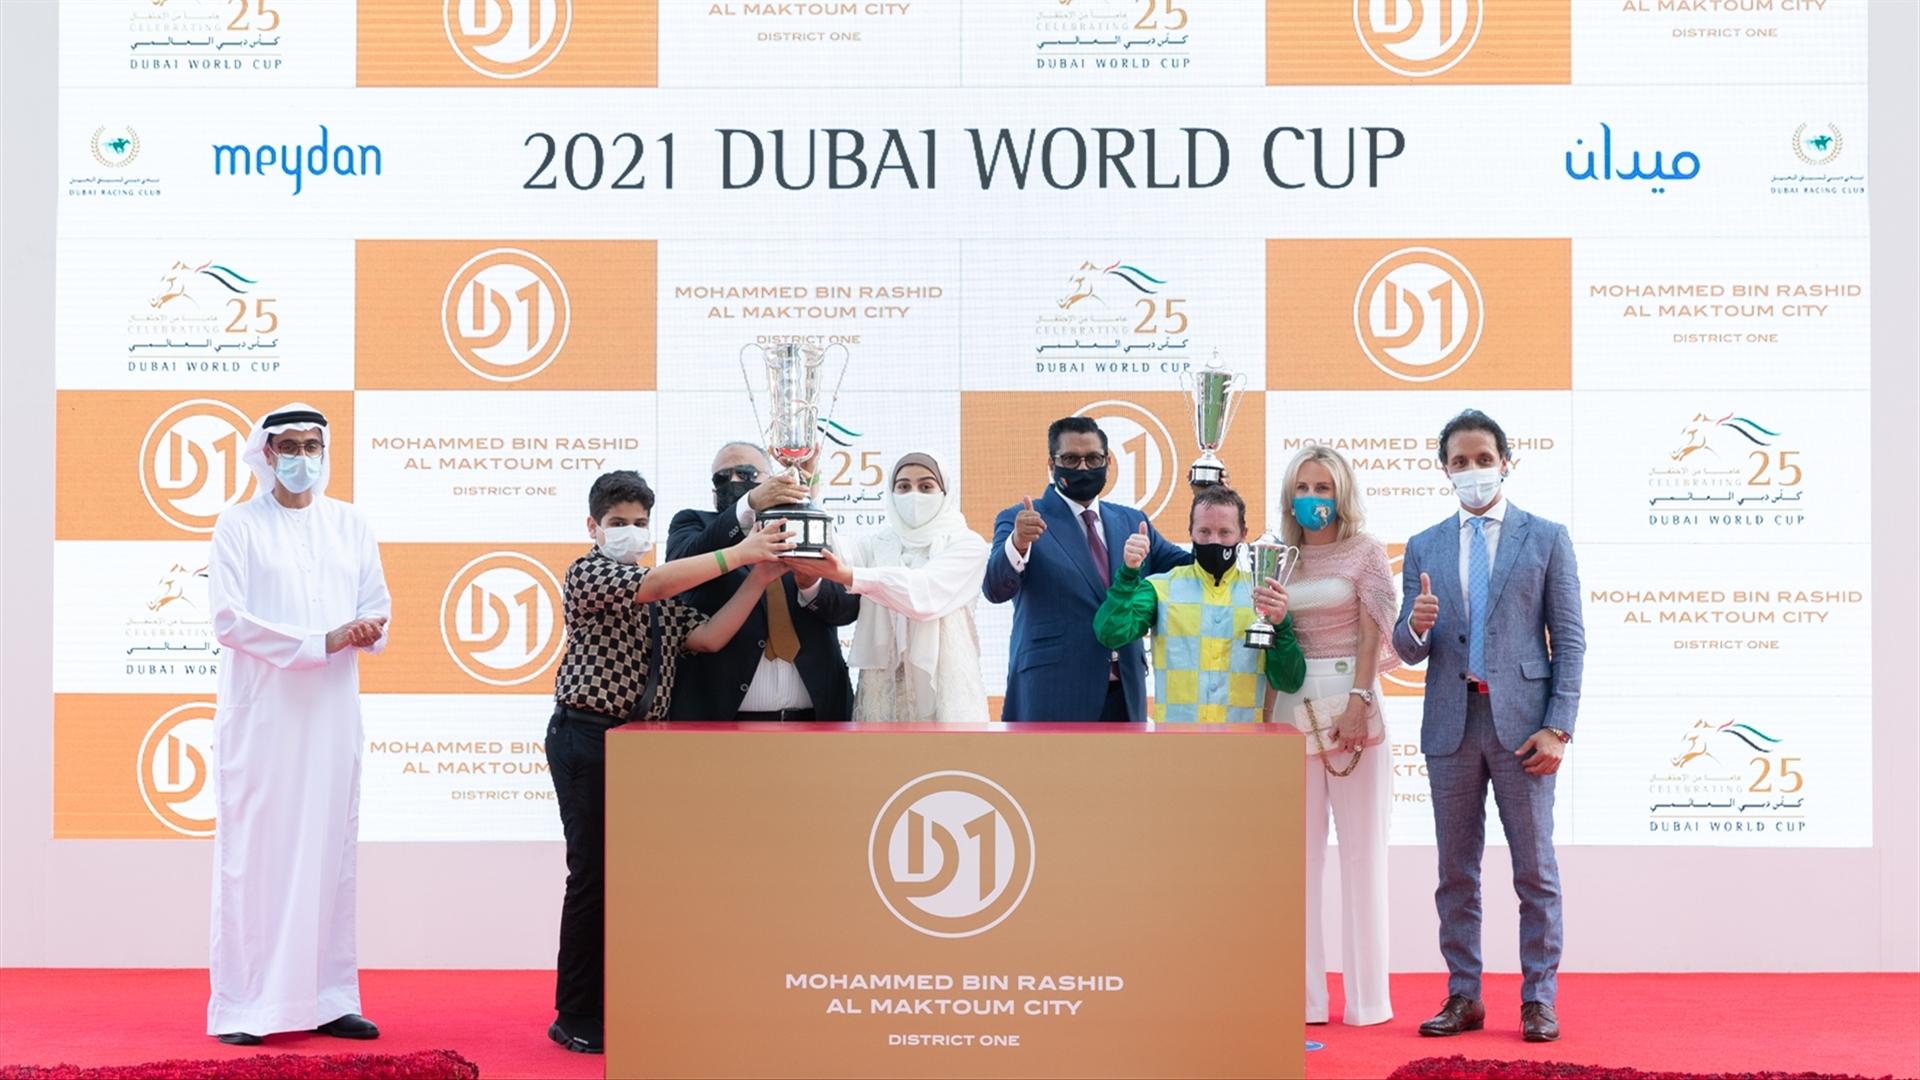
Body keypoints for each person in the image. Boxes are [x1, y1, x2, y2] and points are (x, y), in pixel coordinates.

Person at [546, 470, 797, 1055]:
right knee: (591, 877)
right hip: (585, 736)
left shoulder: (656, 591)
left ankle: (620, 999)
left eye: (638, 524)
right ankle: (575, 1012)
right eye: (617, 524)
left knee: (627, 881)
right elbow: (656, 583)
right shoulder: (591, 573)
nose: (630, 533)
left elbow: (707, 637)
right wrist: (741, 551)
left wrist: (758, 578)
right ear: (593, 528)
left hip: (639, 749)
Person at [1392, 409, 1585, 1044]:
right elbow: (1408, 646)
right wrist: (1417, 624)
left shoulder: (1546, 536)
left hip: (1525, 728)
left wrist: (1560, 725)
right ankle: (1464, 995)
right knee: (1456, 871)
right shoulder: (1424, 544)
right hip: (1452, 724)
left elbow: (1571, 641)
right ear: (1443, 467)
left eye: (1482, 459)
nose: (1471, 471)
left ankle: (1538, 1000)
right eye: (1459, 461)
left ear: (1507, 461)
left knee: (1535, 870)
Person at [205, 403, 390, 1046]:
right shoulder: (238, 526)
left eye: (312, 444)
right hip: (264, 719)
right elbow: (229, 620)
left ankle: (328, 998)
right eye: (289, 444)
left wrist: (364, 632)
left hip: (333, 715)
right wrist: (322, 638)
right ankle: (248, 1005)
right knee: (257, 858)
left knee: (329, 855)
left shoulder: (350, 524)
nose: (302, 456)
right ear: (265, 452)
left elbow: (377, 607)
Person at [1266, 445, 1403, 1028]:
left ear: (1341, 494)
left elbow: (1375, 635)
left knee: (1361, 852)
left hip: (1351, 701)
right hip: (1285, 707)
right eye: (1304, 487)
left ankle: (1368, 1002)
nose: (1313, 499)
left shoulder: (1366, 552)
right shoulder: (1275, 557)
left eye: (1324, 488)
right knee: (1295, 861)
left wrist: (1360, 701)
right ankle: (1305, 1001)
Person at [983, 417, 1191, 721]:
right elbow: (994, 587)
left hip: (1126, 695)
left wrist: (1211, 500)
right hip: (1052, 691)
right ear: (1052, 464)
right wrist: (1018, 542)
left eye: (1093, 458)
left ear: (1107, 462)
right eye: (1070, 458)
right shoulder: (1021, 518)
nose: (1082, 468)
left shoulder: (1133, 521)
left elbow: (1191, 570)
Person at [784, 452, 990, 722]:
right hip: (884, 692)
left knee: (946, 764)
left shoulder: (967, 544)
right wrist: (807, 491)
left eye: (926, 486)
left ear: (945, 492)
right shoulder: (877, 543)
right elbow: (832, 549)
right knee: (878, 763)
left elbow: (924, 595)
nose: (913, 495)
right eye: (903, 486)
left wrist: (852, 575)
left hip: (946, 692)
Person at [666, 442, 861, 721]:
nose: (733, 481)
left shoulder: (807, 525)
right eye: (722, 477)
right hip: (722, 722)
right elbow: (678, 569)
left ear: (771, 480)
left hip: (818, 719)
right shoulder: (694, 524)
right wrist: (749, 503)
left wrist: (810, 585)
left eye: (746, 474)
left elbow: (846, 609)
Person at [1093, 484, 1305, 723]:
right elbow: (1110, 634)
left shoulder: (1262, 595)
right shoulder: (1159, 588)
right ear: (1190, 531)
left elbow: (1289, 681)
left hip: (1242, 744)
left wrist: (1282, 627)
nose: (1214, 541)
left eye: (1225, 532)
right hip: (1177, 746)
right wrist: (1129, 573)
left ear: (1243, 533)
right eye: (1204, 531)